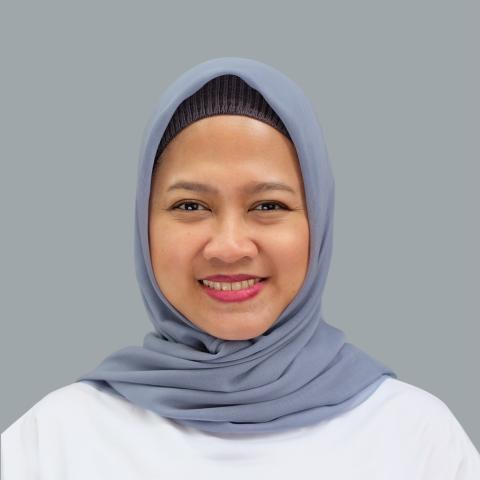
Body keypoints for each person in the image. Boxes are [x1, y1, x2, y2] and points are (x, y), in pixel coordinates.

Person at [2, 57, 479, 479]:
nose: (229, 247)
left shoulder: (416, 438)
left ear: (319, 221)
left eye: (268, 205)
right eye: (190, 206)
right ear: (142, 224)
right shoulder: (55, 441)